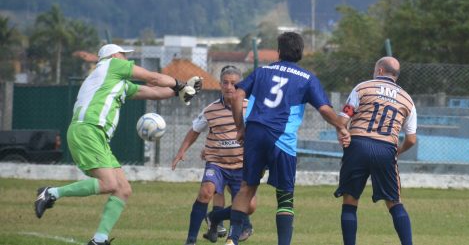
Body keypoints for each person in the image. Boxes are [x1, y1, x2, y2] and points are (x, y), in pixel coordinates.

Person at [34, 44, 202, 245]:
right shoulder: (110, 64)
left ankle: (99, 239)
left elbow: (154, 92)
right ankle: (51, 193)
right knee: (109, 184)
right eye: (124, 54)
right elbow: (153, 78)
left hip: (97, 136)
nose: (126, 58)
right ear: (114, 55)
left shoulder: (116, 82)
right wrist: (180, 84)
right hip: (87, 129)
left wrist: (181, 92)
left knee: (123, 189)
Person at [221, 32, 350, 245]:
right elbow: (325, 109)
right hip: (281, 138)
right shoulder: (308, 78)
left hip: (255, 132)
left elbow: (236, 95)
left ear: (279, 51)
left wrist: (240, 127)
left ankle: (232, 239)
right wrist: (341, 126)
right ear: (301, 52)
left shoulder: (262, 71)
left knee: (247, 187)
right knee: (285, 196)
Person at [335, 56, 418, 245]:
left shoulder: (363, 87)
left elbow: (342, 120)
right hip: (386, 148)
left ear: (380, 70)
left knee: (350, 202)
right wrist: (397, 151)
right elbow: (412, 139)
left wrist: (344, 134)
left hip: (357, 146)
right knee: (394, 203)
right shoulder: (407, 100)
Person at [171, 65, 257, 245]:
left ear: (240, 85)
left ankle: (215, 217)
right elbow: (194, 130)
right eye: (225, 82)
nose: (228, 86)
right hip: (216, 163)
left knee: (249, 207)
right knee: (206, 192)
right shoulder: (211, 109)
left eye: (233, 83)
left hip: (241, 166)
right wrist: (181, 151)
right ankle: (191, 240)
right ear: (220, 85)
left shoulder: (250, 108)